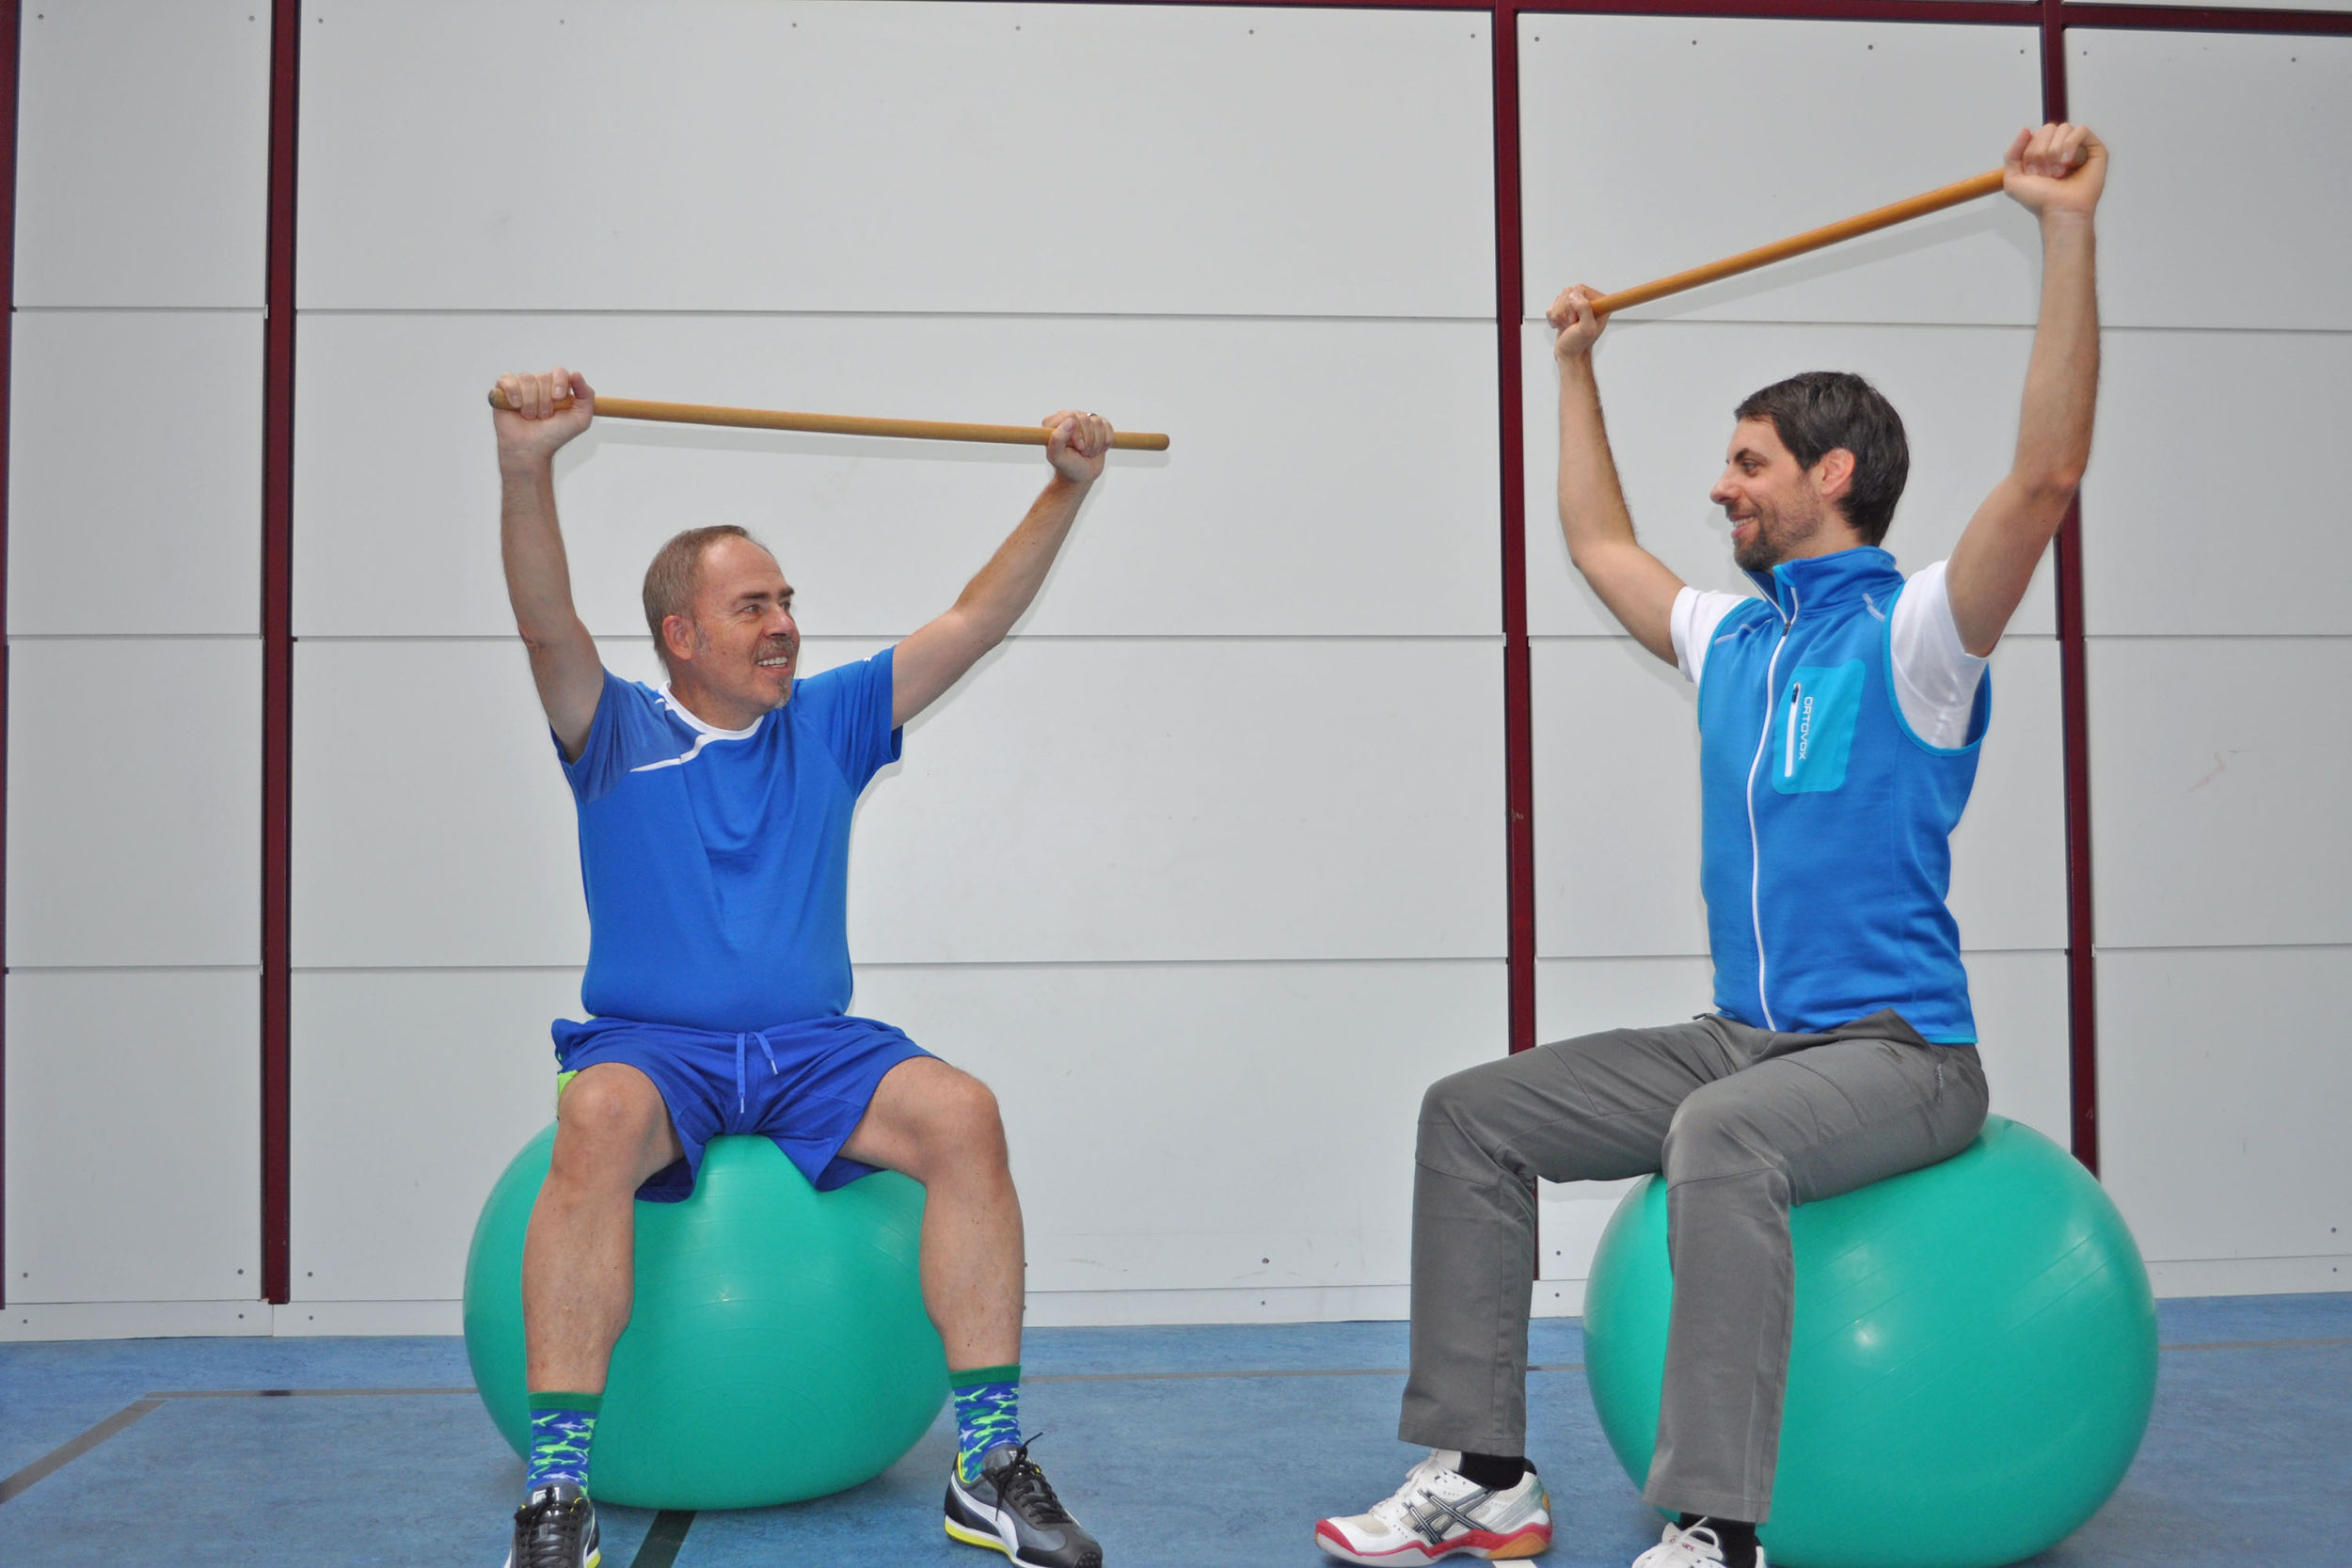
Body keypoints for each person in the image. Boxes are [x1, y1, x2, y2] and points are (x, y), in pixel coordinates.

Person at [1314, 122, 2106, 1568]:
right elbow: (1597, 538)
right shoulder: (1734, 638)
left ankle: (1717, 1526)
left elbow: (2044, 478)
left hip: (1899, 1053)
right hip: (1745, 1037)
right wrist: (1572, 365)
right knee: (1470, 1111)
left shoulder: (1917, 636)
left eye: (1748, 463)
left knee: (1718, 1138)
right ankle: (1490, 1472)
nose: (1723, 488)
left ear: (1835, 470)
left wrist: (2064, 228)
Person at [489, 367, 1114, 1568]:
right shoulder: (613, 728)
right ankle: (557, 1491)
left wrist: (1063, 489)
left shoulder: (826, 721)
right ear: (680, 633)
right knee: (600, 1114)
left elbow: (972, 620)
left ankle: (987, 1462)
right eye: (750, 606)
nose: (783, 622)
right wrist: (526, 465)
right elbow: (543, 621)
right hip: (653, 1048)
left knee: (963, 1111)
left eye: (786, 600)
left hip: (809, 1048)